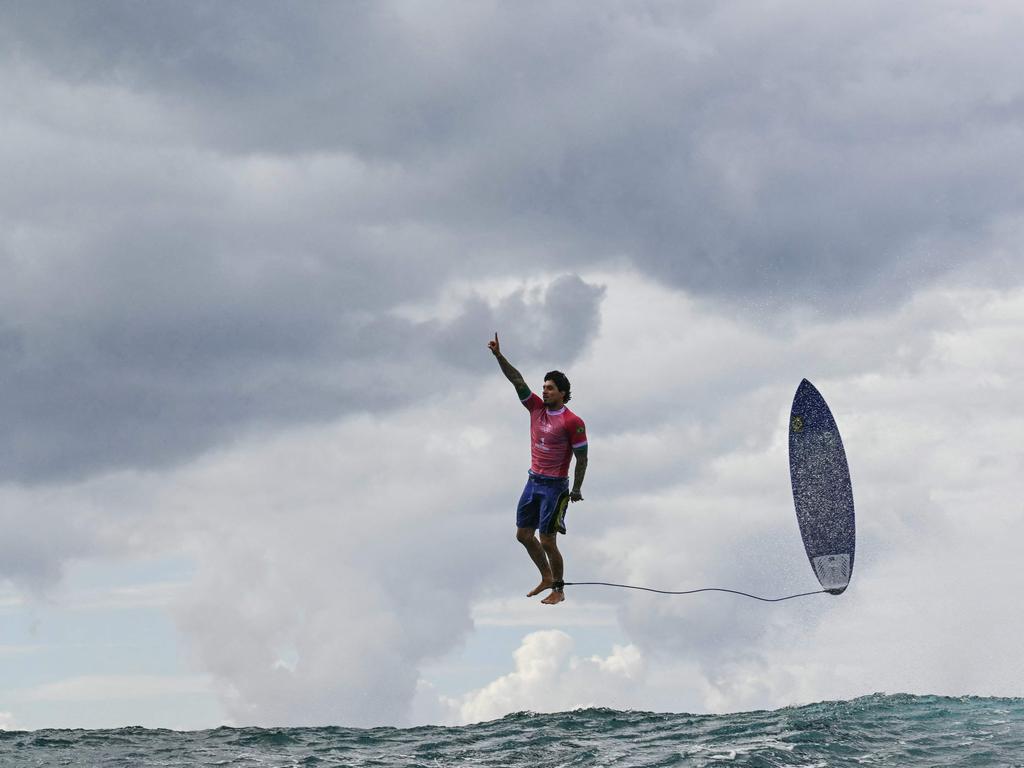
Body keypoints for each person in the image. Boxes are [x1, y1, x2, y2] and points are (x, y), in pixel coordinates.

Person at [488, 332, 588, 605]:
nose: (544, 391)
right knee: (523, 535)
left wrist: (577, 488)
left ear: (563, 393)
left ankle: (558, 588)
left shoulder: (572, 421)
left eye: (550, 388)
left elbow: (582, 458)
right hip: (533, 481)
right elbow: (517, 380)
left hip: (555, 487)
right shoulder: (535, 408)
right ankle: (545, 576)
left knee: (547, 540)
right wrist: (499, 356)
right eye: (543, 387)